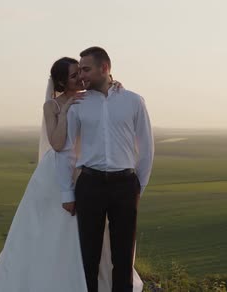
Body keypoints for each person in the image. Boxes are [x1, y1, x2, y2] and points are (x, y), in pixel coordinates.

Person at [0, 56, 143, 292]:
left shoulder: (90, 98)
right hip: (56, 172)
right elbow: (58, 144)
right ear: (61, 82)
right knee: (52, 229)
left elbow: (106, 100)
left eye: (81, 72)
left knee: (92, 234)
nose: (80, 77)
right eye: (74, 75)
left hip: (85, 171)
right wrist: (67, 108)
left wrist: (114, 83)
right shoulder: (53, 106)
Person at [56, 47, 154, 292]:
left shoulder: (133, 100)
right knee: (89, 255)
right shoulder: (78, 104)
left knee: (123, 256)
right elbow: (66, 150)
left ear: (105, 68)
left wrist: (137, 186)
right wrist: (67, 192)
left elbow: (147, 147)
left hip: (125, 186)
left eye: (86, 70)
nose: (82, 76)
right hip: (90, 185)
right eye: (79, 71)